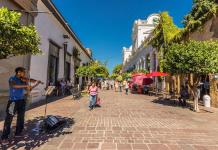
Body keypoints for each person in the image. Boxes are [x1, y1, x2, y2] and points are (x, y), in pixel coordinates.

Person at [1, 67, 42, 144]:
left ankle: (18, 133)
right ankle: (4, 137)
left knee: (21, 118)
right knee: (9, 119)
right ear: (18, 72)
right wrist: (25, 86)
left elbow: (28, 90)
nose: (25, 74)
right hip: (13, 101)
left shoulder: (23, 81)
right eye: (23, 72)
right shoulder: (12, 79)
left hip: (22, 101)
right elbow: (14, 86)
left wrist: (36, 84)